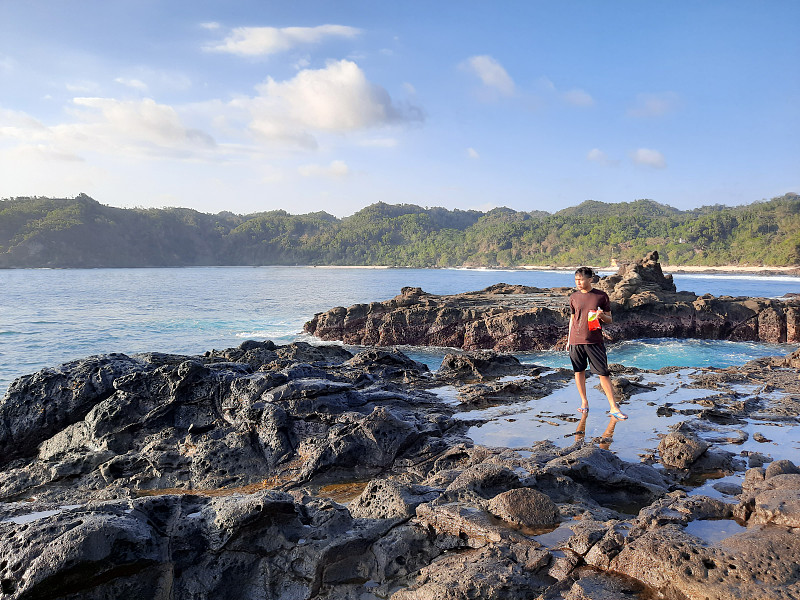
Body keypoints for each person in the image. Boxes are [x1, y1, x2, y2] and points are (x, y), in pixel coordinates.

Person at [566, 266, 628, 420]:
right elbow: (572, 319)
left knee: (603, 373)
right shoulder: (573, 297)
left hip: (594, 340)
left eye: (581, 280)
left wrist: (601, 316)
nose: (578, 283)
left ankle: (614, 407)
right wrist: (568, 340)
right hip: (576, 340)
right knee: (578, 371)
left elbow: (609, 319)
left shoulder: (601, 296)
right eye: (576, 280)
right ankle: (584, 402)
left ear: (590, 279)